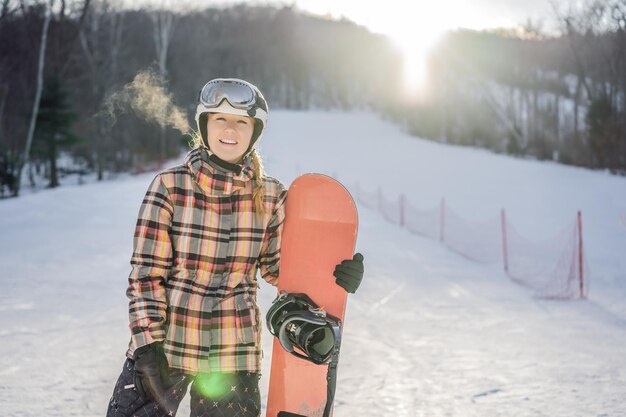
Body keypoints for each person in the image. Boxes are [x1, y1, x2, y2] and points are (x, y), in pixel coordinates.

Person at [105, 78, 365, 417]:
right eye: (220, 119)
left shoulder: (271, 195)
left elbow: (280, 269)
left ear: (254, 131)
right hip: (167, 344)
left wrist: (333, 274)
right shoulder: (170, 187)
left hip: (233, 350)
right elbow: (145, 275)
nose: (230, 129)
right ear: (205, 125)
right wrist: (147, 344)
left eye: (241, 121)